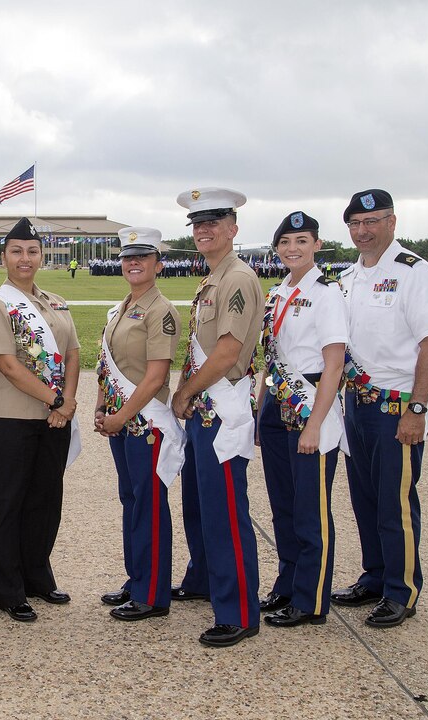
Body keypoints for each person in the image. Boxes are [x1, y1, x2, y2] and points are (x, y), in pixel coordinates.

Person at [332, 189, 428, 628]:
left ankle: (402, 590)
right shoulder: (347, 277)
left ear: (392, 222)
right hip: (355, 406)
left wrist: (417, 408)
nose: (362, 232)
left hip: (396, 405)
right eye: (355, 225)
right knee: (364, 498)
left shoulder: (415, 273)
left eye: (372, 222)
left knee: (394, 502)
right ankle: (375, 576)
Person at [171, 187, 265, 648]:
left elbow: (228, 352)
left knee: (226, 511)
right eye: (197, 224)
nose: (204, 230)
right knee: (202, 505)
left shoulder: (237, 278)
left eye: (214, 222)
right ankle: (205, 580)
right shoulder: (213, 277)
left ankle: (239, 611)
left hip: (221, 410)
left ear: (233, 228)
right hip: (204, 411)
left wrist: (184, 390)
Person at [0, 217, 81, 623]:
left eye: (32, 251)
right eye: (17, 251)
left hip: (55, 418)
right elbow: (7, 365)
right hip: (11, 420)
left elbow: (73, 353)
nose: (25, 258)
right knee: (8, 503)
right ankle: (5, 589)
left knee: (45, 502)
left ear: (41, 256)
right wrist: (57, 399)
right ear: (3, 257)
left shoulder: (55, 302)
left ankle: (37, 575)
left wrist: (67, 403)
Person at [255, 212, 347, 628]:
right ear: (277, 248)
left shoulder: (327, 294)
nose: (293, 248)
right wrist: (261, 409)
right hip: (278, 404)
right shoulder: (276, 292)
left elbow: (334, 364)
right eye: (286, 241)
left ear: (317, 245)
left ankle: (310, 600)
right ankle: (287, 584)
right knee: (284, 507)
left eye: (302, 240)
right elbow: (270, 357)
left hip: (311, 404)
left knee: (311, 509)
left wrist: (315, 424)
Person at [95, 227, 185, 622]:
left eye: (142, 257)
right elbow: (107, 365)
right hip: (122, 422)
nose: (133, 263)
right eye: (127, 257)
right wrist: (101, 407)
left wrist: (120, 415)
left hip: (145, 423)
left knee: (148, 506)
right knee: (131, 502)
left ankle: (153, 594)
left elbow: (155, 377)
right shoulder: (122, 308)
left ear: (158, 265)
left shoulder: (159, 310)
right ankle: (137, 580)